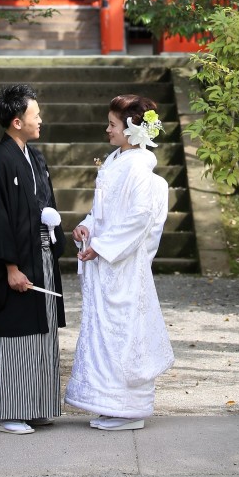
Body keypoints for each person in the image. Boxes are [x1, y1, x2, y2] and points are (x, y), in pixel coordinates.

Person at [65, 93, 174, 430]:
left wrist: (104, 246)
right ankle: (110, 403)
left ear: (131, 129)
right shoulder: (116, 159)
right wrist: (87, 226)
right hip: (108, 261)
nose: (107, 129)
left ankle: (129, 408)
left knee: (124, 333)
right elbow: (104, 211)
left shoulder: (139, 166)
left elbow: (140, 218)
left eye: (112, 124)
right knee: (105, 332)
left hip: (123, 264)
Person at [0, 82, 66, 435]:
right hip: (15, 261)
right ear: (16, 121)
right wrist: (9, 267)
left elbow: (45, 204)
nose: (40, 120)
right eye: (35, 115)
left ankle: (35, 405)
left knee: (40, 333)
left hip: (39, 254)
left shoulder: (35, 157)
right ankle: (5, 411)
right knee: (13, 335)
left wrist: (53, 226)